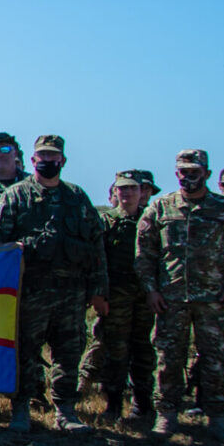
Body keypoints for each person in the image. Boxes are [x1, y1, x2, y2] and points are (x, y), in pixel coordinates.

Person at [0, 136, 109, 433]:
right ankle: (20, 410)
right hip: (30, 290)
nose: (47, 161)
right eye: (42, 156)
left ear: (63, 161)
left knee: (69, 352)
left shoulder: (77, 197)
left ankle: (65, 411)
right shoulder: (16, 196)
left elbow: (96, 246)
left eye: (53, 156)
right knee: (25, 352)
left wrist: (99, 290)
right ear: (31, 161)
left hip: (72, 292)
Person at [136, 148, 224, 439]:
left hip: (214, 300)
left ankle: (218, 418)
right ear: (176, 173)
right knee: (168, 359)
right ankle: (166, 415)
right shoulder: (160, 208)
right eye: (183, 171)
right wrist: (151, 291)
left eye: (194, 171)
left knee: (215, 358)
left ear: (207, 173)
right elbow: (144, 255)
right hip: (170, 299)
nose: (188, 177)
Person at [81, 170, 157, 421]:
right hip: (116, 297)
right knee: (116, 351)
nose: (127, 193)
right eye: (122, 189)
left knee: (144, 349)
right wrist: (98, 294)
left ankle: (143, 404)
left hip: (146, 296)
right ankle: (113, 404)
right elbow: (96, 260)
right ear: (115, 192)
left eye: (132, 189)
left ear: (142, 192)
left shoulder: (152, 219)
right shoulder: (106, 221)